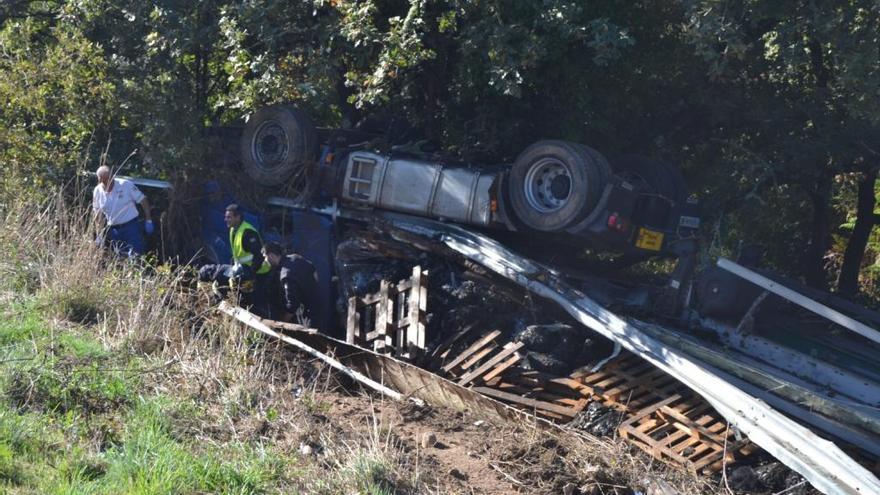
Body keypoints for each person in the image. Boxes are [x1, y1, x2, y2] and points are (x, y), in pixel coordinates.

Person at [198, 204, 270, 312]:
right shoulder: (233, 229)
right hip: (239, 269)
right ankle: (207, 301)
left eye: (229, 217)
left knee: (251, 302)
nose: (225, 220)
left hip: (256, 272)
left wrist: (250, 274)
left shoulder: (248, 233)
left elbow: (258, 257)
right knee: (208, 272)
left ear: (238, 217)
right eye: (225, 217)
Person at [92, 165, 153, 257]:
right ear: (100, 180)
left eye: (110, 179)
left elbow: (143, 200)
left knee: (135, 256)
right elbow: (98, 214)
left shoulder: (125, 185)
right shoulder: (97, 191)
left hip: (131, 227)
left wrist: (149, 220)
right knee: (120, 258)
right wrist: (99, 234)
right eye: (105, 180)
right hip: (114, 231)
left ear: (113, 176)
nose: (108, 182)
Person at [262, 241, 318, 328]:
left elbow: (292, 306)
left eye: (265, 257)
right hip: (319, 303)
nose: (265, 261)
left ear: (271, 255)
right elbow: (313, 270)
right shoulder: (295, 257)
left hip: (308, 314)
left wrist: (280, 325)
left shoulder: (286, 276)